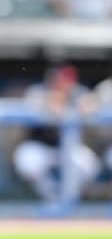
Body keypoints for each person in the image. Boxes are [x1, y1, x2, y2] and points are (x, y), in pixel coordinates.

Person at [13, 64, 101, 202]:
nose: (63, 84)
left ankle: (73, 198)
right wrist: (51, 105)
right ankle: (50, 195)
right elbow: (37, 102)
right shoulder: (38, 91)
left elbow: (91, 103)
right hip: (41, 146)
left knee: (89, 166)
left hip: (66, 148)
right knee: (27, 161)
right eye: (60, 80)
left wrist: (83, 106)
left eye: (67, 81)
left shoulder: (76, 92)